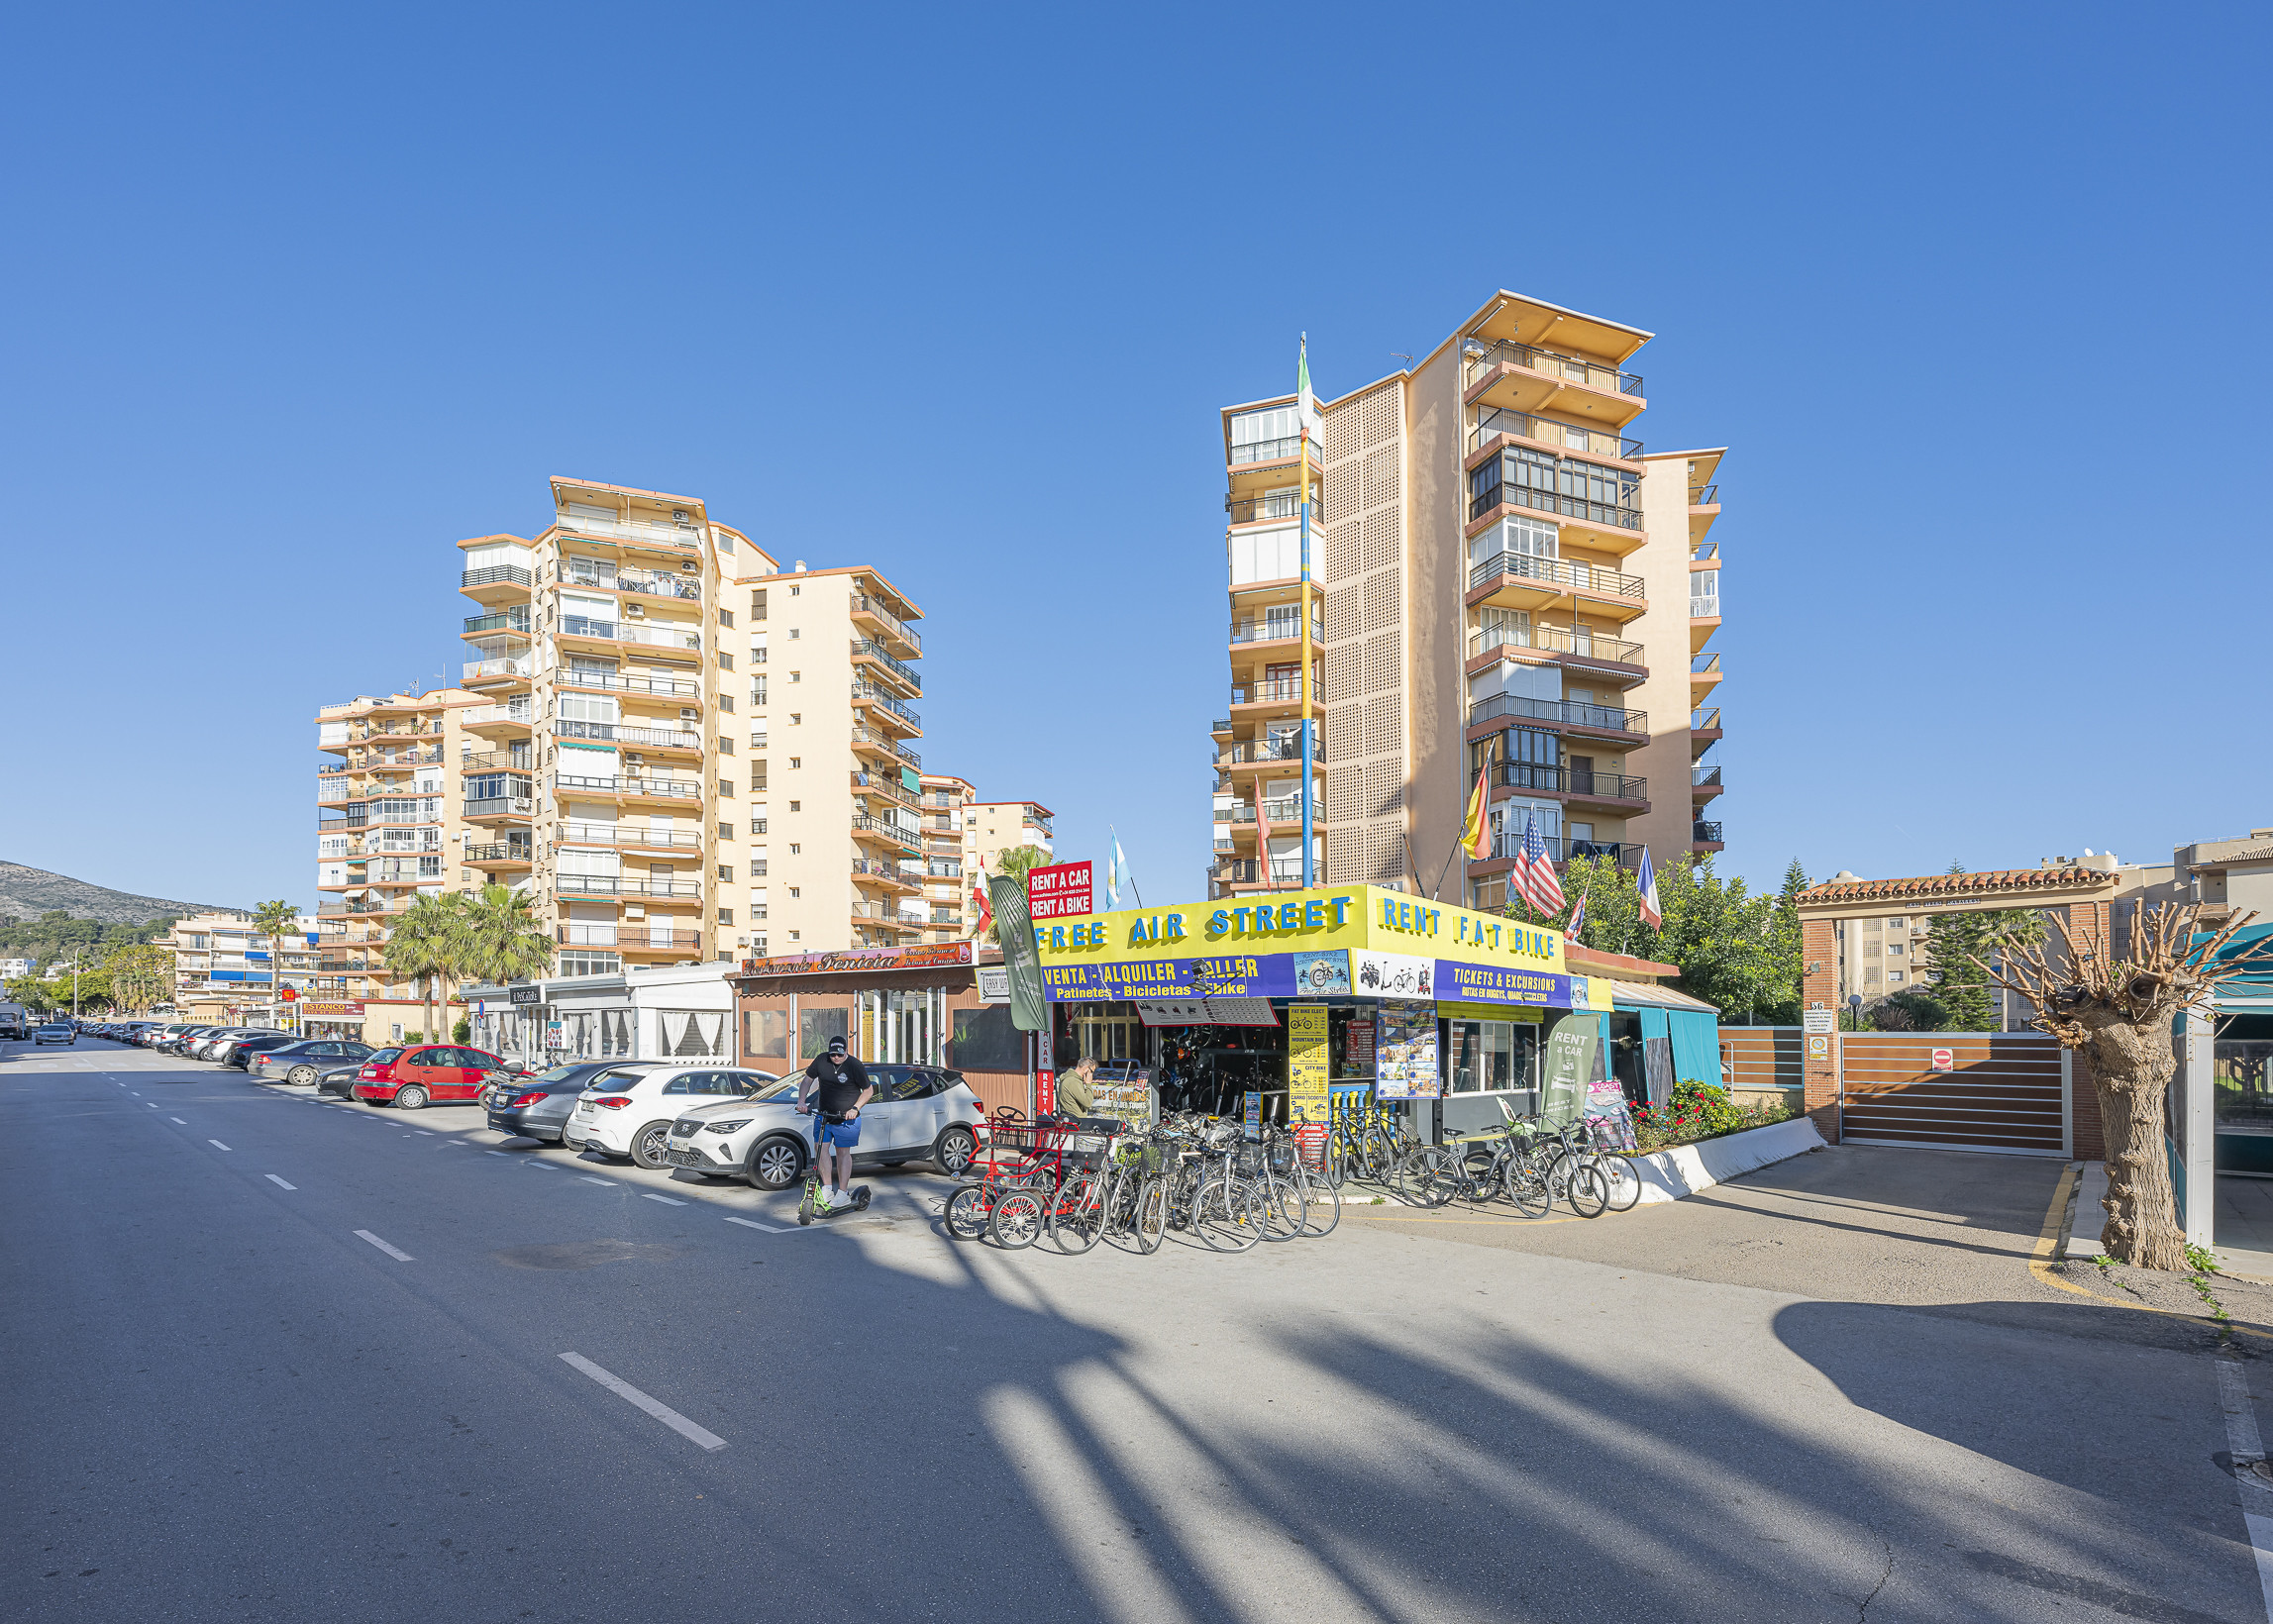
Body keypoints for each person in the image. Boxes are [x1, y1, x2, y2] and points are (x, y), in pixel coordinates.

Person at [796, 1034, 874, 1212]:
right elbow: (807, 1080)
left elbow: (868, 1090)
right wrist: (802, 1101)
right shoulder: (821, 1060)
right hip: (824, 1115)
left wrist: (855, 1108)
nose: (836, 1057)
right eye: (833, 1054)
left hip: (846, 1119)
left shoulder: (854, 1065)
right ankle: (828, 1188)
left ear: (846, 1051)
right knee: (820, 1148)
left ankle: (843, 1193)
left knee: (842, 1153)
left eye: (839, 1054)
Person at [1057, 1054, 1098, 1119]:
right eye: (1091, 1071)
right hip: (1075, 1120)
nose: (1092, 1074)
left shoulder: (1073, 1079)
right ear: (1085, 1068)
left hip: (1072, 1118)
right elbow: (1088, 1103)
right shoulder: (1073, 1082)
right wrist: (1088, 1084)